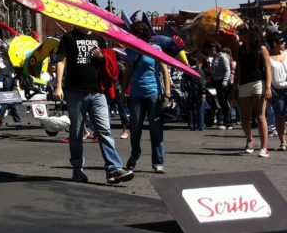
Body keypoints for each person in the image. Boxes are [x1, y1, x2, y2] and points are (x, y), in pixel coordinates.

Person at [53, 26, 133, 185]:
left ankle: (113, 169)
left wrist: (101, 57)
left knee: (104, 129)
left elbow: (108, 61)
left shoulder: (99, 38)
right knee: (76, 131)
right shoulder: (68, 37)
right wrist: (58, 85)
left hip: (97, 91)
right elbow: (61, 60)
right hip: (75, 91)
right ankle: (77, 168)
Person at [122, 22, 171, 174]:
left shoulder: (156, 49)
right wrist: (122, 92)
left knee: (156, 129)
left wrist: (167, 93)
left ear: (141, 35)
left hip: (153, 93)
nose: (131, 36)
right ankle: (135, 154)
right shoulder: (130, 51)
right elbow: (128, 72)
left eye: (133, 33)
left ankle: (158, 162)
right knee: (135, 128)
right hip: (136, 94)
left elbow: (164, 71)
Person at [235, 24, 272, 157]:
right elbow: (238, 69)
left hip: (258, 82)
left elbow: (268, 69)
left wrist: (268, 87)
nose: (239, 35)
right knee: (244, 118)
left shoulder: (261, 49)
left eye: (241, 33)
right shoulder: (241, 49)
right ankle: (250, 139)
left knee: (260, 115)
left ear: (248, 34)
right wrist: (234, 87)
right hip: (244, 83)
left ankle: (264, 147)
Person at [266, 32, 287, 150]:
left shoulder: (286, 54)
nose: (284, 43)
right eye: (281, 42)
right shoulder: (268, 57)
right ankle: (283, 142)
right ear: (274, 44)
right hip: (277, 91)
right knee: (280, 117)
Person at [208, 41, 233, 129]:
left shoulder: (222, 57)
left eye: (211, 50)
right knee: (221, 102)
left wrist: (225, 81)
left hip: (223, 82)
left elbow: (227, 70)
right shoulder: (215, 58)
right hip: (217, 82)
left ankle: (228, 123)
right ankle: (226, 121)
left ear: (215, 49)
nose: (210, 52)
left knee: (225, 102)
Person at [181, 54, 207, 131]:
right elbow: (202, 83)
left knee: (190, 108)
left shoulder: (186, 72)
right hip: (198, 92)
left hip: (190, 92)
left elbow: (183, 82)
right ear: (197, 63)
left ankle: (191, 125)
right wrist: (203, 92)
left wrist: (184, 90)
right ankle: (200, 125)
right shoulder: (200, 71)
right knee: (200, 108)